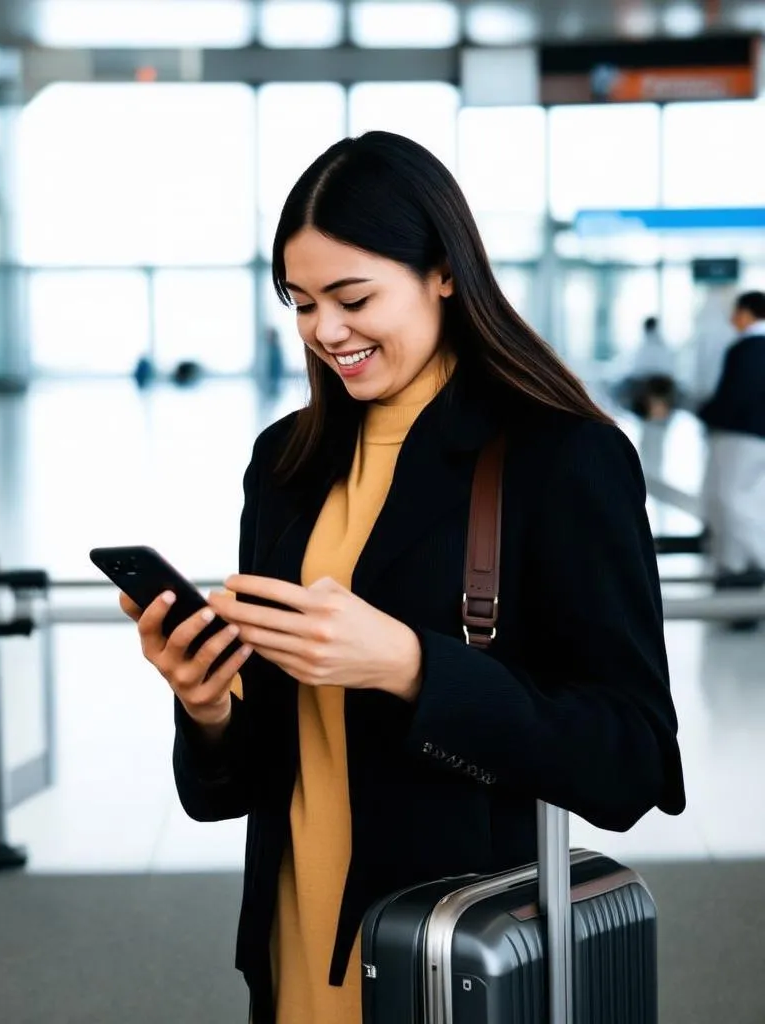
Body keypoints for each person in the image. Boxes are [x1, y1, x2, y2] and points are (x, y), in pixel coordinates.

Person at [118, 132, 686, 1024]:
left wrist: (414, 667)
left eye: (352, 297)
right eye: (300, 302)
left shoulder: (559, 457)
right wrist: (208, 705)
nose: (324, 331)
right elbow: (258, 768)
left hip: (450, 954)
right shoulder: (286, 462)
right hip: (296, 938)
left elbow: (631, 758)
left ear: (444, 274)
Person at [698, 290, 765, 628]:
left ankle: (755, 558)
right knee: (748, 496)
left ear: (747, 312)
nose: (731, 319)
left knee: (732, 498)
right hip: (757, 435)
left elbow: (734, 394)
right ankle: (737, 565)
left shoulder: (748, 348)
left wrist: (705, 412)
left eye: (735, 312)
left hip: (740, 434)